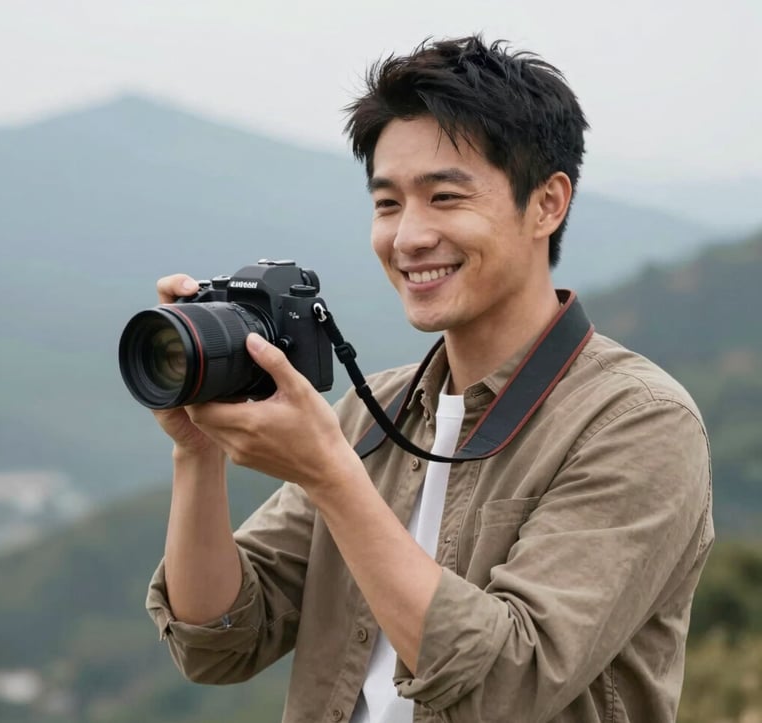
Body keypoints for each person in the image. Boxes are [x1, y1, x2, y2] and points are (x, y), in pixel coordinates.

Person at [146, 35, 713, 722]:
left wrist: (331, 477)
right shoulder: (372, 412)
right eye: (388, 204)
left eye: (445, 197)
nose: (409, 236)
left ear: (547, 204)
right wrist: (196, 450)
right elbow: (219, 641)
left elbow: (510, 680)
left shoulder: (637, 421)